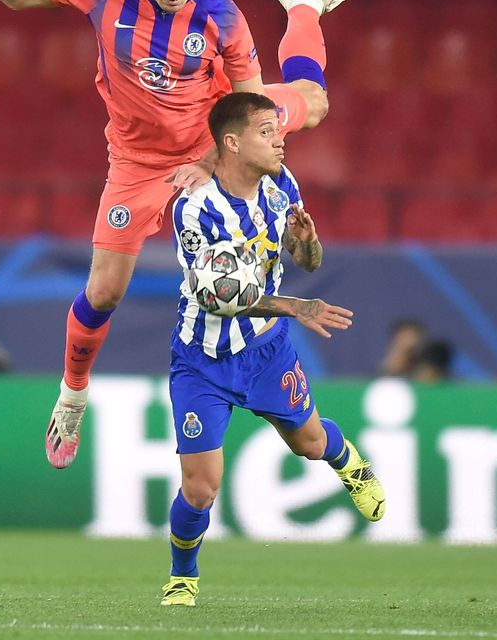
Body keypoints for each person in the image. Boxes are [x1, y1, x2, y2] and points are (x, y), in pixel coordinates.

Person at [0, 0, 369, 468]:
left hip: (212, 144)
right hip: (136, 163)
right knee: (104, 292)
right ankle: (72, 397)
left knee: (314, 103)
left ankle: (303, 1)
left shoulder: (220, 12)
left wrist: (209, 158)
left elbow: (245, 106)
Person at [161, 92, 385, 606]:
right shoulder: (197, 209)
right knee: (201, 489)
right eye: (266, 131)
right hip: (204, 358)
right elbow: (220, 297)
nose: (280, 139)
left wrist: (305, 241)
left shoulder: (282, 187)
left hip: (267, 352)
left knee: (308, 443)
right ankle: (183, 577)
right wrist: (295, 308)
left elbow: (307, 260)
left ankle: (349, 463)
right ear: (232, 142)